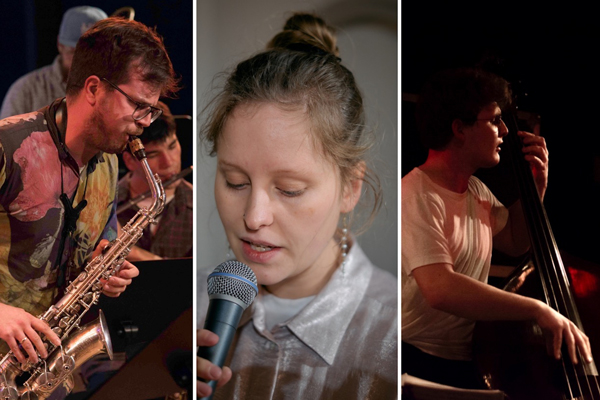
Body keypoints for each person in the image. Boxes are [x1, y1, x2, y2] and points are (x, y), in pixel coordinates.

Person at [196, 13, 397, 400]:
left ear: (350, 188)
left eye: (289, 190)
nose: (253, 218)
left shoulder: (393, 335)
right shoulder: (186, 306)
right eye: (235, 182)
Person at [0, 14, 179, 388]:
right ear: (95, 88)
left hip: (45, 373)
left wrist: (107, 266)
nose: (146, 122)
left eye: (152, 109)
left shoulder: (110, 163)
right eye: (138, 106)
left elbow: (100, 243)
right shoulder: (8, 146)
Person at [401, 67, 592, 389]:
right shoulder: (416, 195)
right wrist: (537, 309)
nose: (504, 130)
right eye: (493, 120)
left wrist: (536, 186)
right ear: (459, 128)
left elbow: (518, 242)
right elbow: (440, 289)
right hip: (417, 361)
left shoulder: (476, 191)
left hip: (469, 359)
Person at [0, 6, 107, 119]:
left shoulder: (116, 86)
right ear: (59, 45)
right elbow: (6, 135)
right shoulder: (26, 90)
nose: (84, 61)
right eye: (73, 52)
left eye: (93, 53)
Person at [117, 100, 193, 261]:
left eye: (172, 146)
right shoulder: (104, 205)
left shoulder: (200, 207)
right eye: (153, 155)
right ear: (130, 161)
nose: (169, 162)